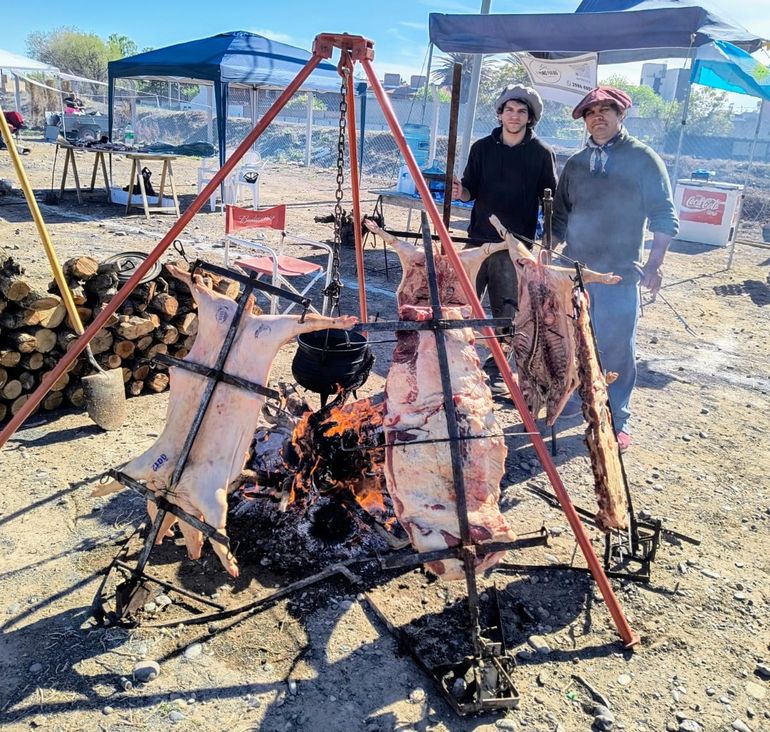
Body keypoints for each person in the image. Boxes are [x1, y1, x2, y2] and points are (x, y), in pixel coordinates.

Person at [552, 86, 679, 452]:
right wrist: (545, 259)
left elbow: (663, 216)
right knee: (575, 341)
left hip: (620, 272)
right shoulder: (575, 164)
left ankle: (617, 417)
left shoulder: (643, 159)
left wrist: (654, 264)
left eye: (606, 110)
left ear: (621, 116)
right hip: (576, 271)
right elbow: (559, 219)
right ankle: (578, 402)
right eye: (591, 112)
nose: (598, 117)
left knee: (617, 347)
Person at [451, 84, 557, 385]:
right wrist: (462, 192)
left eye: (521, 111)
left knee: (507, 308)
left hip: (514, 246)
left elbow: (550, 200)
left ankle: (498, 367)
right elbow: (469, 190)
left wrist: (545, 245)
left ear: (530, 117)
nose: (514, 116)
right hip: (477, 240)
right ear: (500, 114)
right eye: (509, 110)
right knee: (461, 301)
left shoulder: (541, 153)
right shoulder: (481, 148)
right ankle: (457, 357)